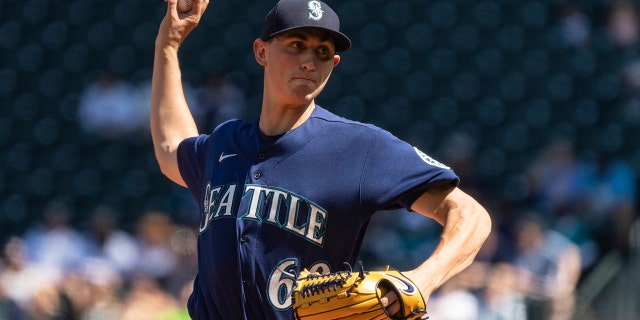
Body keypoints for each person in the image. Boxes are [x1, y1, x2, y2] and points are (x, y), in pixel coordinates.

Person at [150, 0, 492, 319]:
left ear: (334, 63)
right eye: (296, 45)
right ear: (261, 51)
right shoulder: (226, 141)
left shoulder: (359, 146)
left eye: (323, 52)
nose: (310, 61)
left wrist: (423, 279)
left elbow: (469, 214)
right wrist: (167, 46)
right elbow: (172, 149)